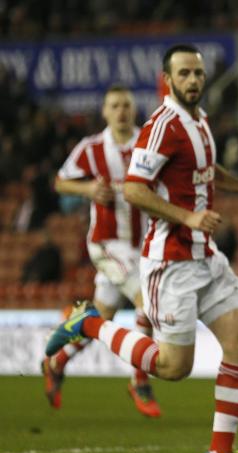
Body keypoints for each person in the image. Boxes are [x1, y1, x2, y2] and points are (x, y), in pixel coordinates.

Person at [44, 45, 238, 453]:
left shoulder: (199, 121)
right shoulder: (161, 126)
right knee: (173, 367)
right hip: (170, 262)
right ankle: (87, 323)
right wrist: (189, 216)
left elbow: (206, 169)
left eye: (198, 74)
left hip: (205, 256)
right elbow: (134, 189)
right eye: (184, 73)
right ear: (167, 79)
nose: (193, 80)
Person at [42, 86, 160, 417]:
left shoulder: (149, 144)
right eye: (114, 106)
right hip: (106, 245)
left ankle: (56, 362)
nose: (121, 110)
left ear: (134, 109)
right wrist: (89, 189)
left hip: (142, 245)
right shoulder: (91, 148)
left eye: (126, 104)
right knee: (146, 303)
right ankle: (139, 379)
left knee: (103, 316)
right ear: (105, 112)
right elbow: (60, 182)